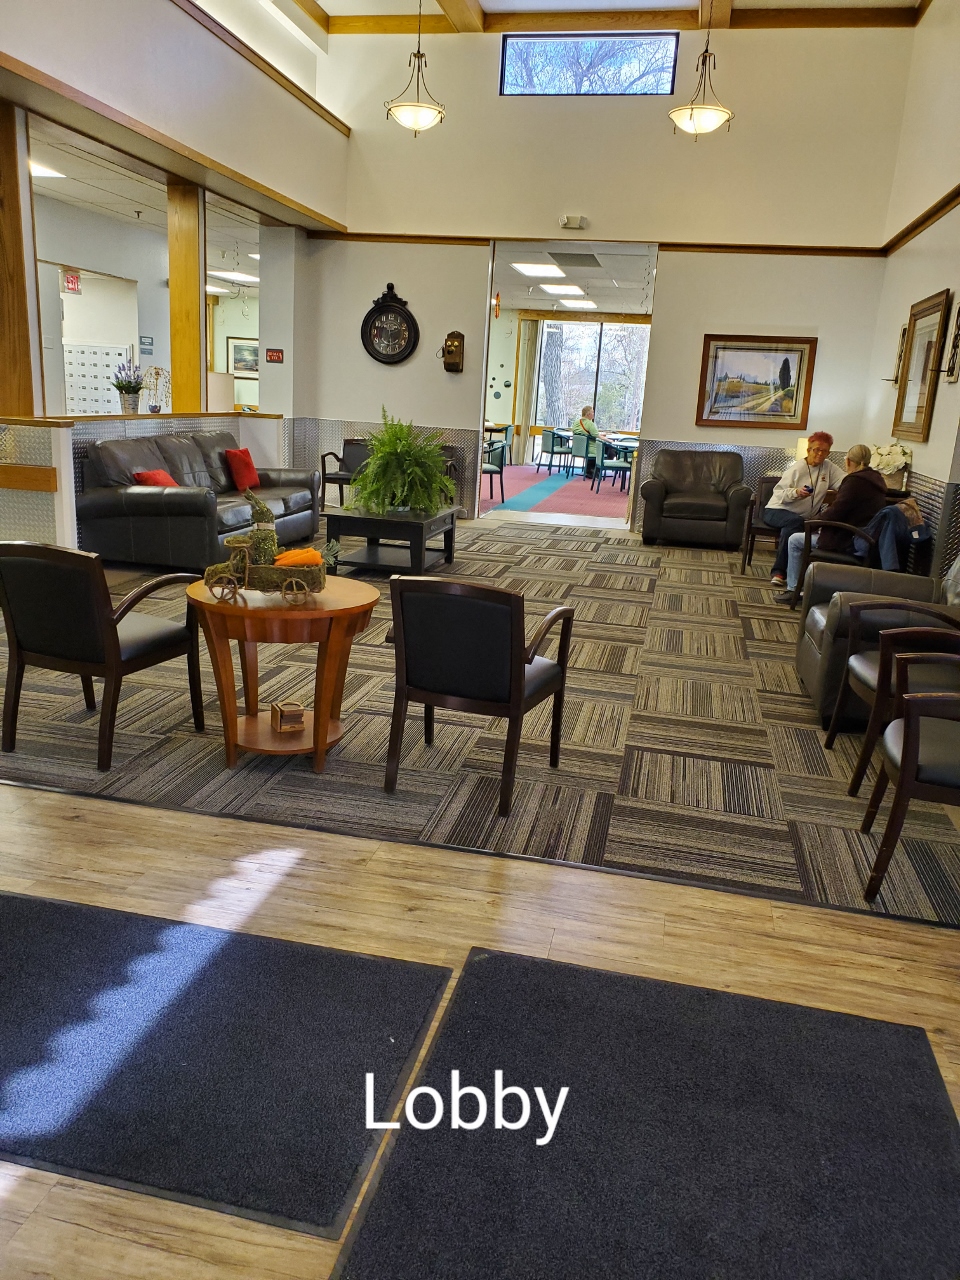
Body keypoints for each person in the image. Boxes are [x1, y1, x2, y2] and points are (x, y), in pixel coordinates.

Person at [774, 443, 890, 604]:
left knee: (794, 540)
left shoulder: (855, 482)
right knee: (806, 533)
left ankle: (793, 590)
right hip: (864, 537)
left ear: (848, 461)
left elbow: (835, 511)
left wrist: (812, 523)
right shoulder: (876, 480)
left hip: (850, 539)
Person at [763, 432, 845, 586]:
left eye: (824, 451)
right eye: (816, 450)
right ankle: (779, 572)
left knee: (796, 526)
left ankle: (788, 573)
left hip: (801, 518)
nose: (820, 454)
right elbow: (778, 493)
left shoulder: (828, 468)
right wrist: (796, 493)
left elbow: (845, 482)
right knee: (795, 523)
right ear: (809, 450)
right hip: (775, 510)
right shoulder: (797, 468)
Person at [573, 405, 600, 478]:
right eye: (592, 412)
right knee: (610, 450)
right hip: (590, 448)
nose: (593, 414)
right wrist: (610, 441)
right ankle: (595, 470)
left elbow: (583, 433)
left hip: (577, 448)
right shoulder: (590, 423)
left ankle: (589, 470)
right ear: (588, 414)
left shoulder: (576, 422)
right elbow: (597, 435)